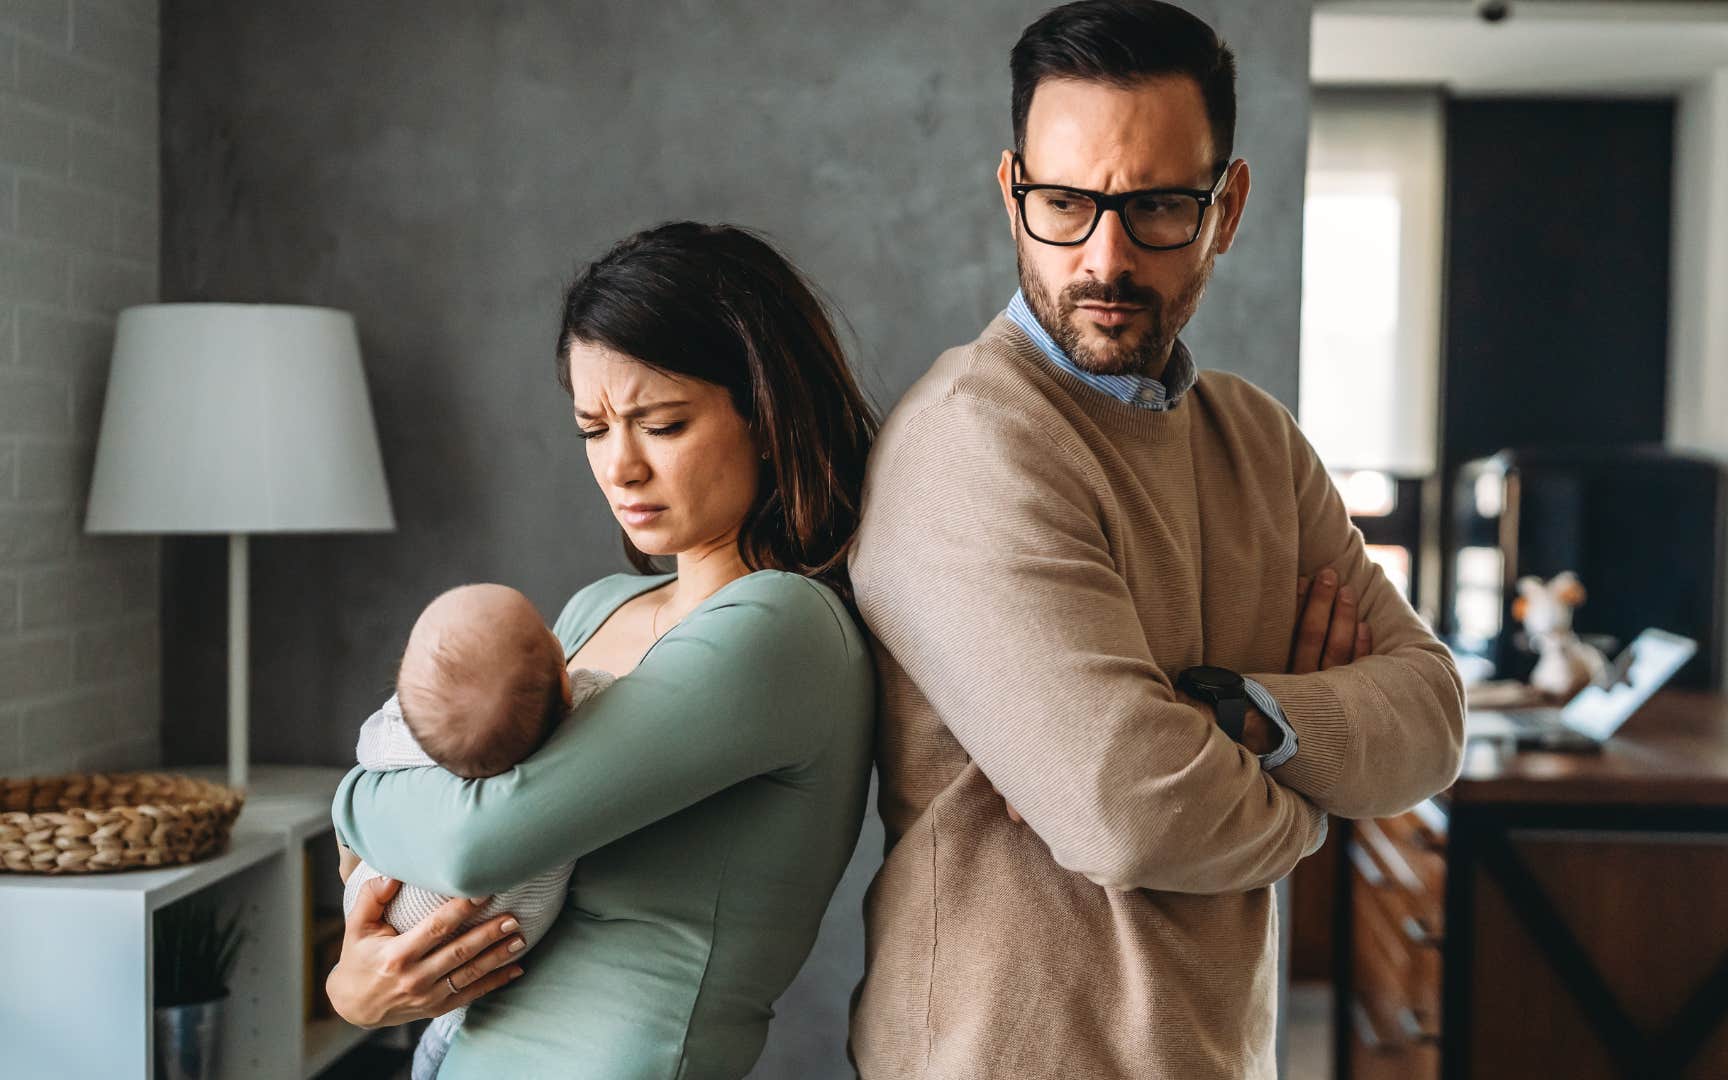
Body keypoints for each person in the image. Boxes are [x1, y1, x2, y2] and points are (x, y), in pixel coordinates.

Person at [846, 3, 1466, 1076]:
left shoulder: (1259, 442)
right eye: (1065, 204)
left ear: (1227, 207)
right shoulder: (969, 443)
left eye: (1158, 207)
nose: (1106, 255)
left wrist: (1245, 716)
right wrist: (1315, 800)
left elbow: (1432, 716)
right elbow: (1129, 812)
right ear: (1012, 193)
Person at [327, 222, 880, 1080]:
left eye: (661, 423)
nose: (619, 467)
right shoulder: (597, 608)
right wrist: (355, 992)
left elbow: (473, 845)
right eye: (594, 427)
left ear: (767, 416)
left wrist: (355, 793)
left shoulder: (783, 630)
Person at [337, 583, 619, 1079]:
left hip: (388, 918)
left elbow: (365, 758)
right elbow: (599, 691)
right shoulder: (586, 722)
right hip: (503, 948)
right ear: (565, 682)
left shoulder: (403, 735)